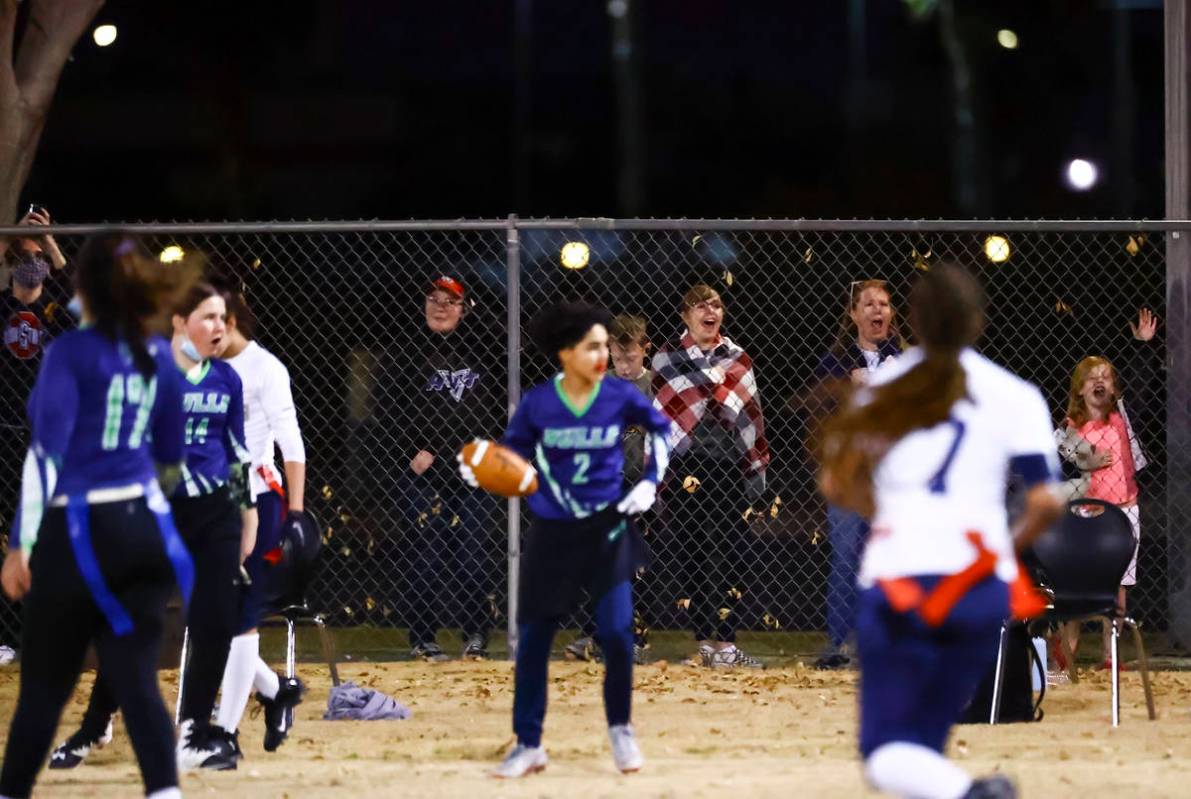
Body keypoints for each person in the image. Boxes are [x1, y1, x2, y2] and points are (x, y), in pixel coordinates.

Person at [816, 263, 1062, 799]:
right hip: (977, 585)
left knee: (886, 755)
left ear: (915, 321)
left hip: (901, 579)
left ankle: (976, 794)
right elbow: (1046, 501)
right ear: (977, 322)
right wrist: (1001, 547)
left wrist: (888, 507)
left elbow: (836, 482)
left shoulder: (883, 384)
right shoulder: (1014, 393)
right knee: (923, 742)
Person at [0, 233, 196, 799]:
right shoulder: (158, 351)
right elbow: (170, 459)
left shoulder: (69, 353)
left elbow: (46, 453)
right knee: (135, 678)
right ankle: (164, 792)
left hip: (78, 530)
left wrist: (21, 542)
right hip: (143, 529)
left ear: (82, 285)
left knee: (43, 688)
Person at [47, 283, 261, 773]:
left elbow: (236, 451)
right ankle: (96, 722)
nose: (219, 328)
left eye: (224, 320)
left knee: (214, 617)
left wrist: (248, 514)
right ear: (179, 321)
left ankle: (193, 731)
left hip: (215, 512)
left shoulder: (226, 378)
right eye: (207, 318)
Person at [468, 302, 673, 779]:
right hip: (554, 532)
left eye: (606, 345)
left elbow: (663, 431)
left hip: (605, 528)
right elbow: (511, 460)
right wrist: (487, 469)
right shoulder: (540, 403)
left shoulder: (618, 396)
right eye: (593, 346)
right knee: (536, 638)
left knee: (619, 634)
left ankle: (621, 727)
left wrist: (648, 482)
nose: (603, 354)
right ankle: (529, 743)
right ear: (567, 353)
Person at [374, 275, 502, 661]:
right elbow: (384, 412)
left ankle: (476, 634)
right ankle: (422, 638)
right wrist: (408, 452)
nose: (440, 307)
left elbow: (504, 401)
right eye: (433, 299)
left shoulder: (484, 350)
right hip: (423, 475)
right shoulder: (406, 352)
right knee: (424, 556)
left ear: (465, 308)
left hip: (472, 473)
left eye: (450, 301)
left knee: (473, 556)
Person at [652, 283, 770, 668]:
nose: (710, 311)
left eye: (716, 305)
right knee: (692, 555)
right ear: (685, 316)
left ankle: (728, 643)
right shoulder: (666, 358)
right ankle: (705, 642)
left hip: (727, 468)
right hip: (685, 468)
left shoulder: (737, 359)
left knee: (735, 555)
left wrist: (755, 463)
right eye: (700, 306)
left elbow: (751, 416)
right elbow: (660, 418)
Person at [1053, 308, 1158, 671]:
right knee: (1079, 584)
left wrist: (1142, 348)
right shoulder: (1069, 427)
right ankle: (1067, 652)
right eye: (1091, 378)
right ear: (1080, 390)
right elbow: (1065, 464)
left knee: (1119, 584)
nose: (1100, 382)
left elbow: (1142, 386)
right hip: (1087, 512)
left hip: (1124, 509)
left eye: (1106, 377)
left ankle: (1110, 657)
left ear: (1114, 387)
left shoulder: (1122, 417)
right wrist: (1084, 460)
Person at [812, 279, 905, 670]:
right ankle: (841, 643)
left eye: (883, 304)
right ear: (853, 315)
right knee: (847, 556)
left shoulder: (904, 361)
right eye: (868, 304)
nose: (877, 310)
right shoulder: (833, 363)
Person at [0, 207, 72, 662]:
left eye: (39, 257)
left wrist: (48, 239)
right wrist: (10, 234)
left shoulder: (57, 311)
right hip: (6, 435)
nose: (35, 263)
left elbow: (82, 291)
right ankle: (8, 636)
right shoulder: (3, 306)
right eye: (25, 255)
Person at [566, 313, 655, 664]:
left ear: (644, 350)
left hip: (641, 485)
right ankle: (595, 632)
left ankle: (636, 638)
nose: (624, 365)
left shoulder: (654, 385)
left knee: (636, 565)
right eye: (617, 358)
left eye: (630, 357)